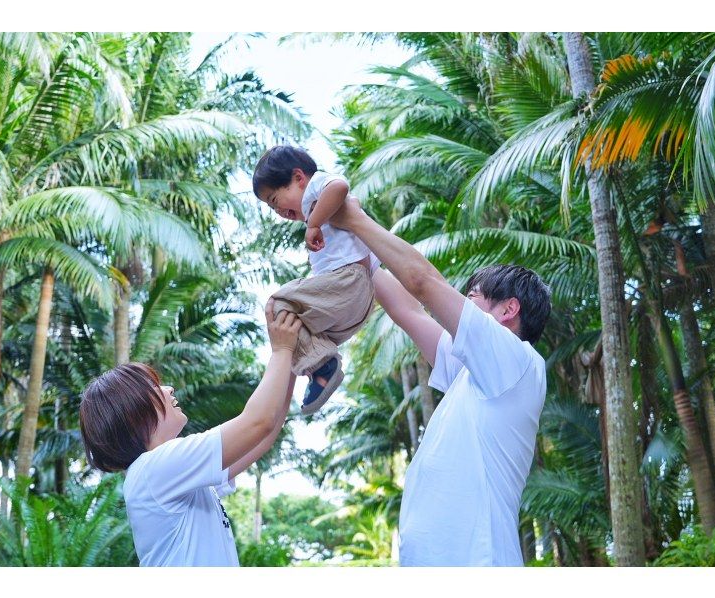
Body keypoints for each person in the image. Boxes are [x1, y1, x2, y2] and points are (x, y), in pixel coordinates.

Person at [330, 197, 552, 566]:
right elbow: (407, 311)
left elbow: (422, 282)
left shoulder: (517, 360)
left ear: (508, 309)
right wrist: (354, 250)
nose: (462, 304)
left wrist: (352, 216)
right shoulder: (475, 373)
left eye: (472, 297)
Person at [79, 301, 301, 566]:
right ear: (132, 412)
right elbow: (259, 423)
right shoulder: (154, 469)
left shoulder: (168, 474)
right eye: (155, 386)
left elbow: (263, 436)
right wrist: (282, 350)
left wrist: (292, 361)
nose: (169, 389)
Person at [252, 145, 375, 415]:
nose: (277, 211)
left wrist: (314, 222)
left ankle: (321, 367)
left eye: (274, 200)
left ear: (298, 178)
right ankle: (319, 368)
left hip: (349, 283)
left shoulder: (316, 190)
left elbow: (339, 186)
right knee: (291, 327)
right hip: (357, 306)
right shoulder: (321, 216)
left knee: (278, 304)